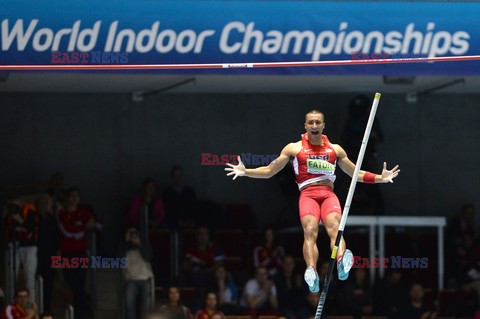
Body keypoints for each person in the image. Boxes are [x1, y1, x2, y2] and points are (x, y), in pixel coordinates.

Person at [225, 109, 400, 292]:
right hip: (308, 195)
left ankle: (342, 262)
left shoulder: (335, 149)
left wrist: (381, 178)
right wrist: (246, 172)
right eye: (311, 122)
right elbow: (270, 170)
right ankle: (311, 272)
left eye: (318, 122)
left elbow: (357, 174)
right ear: (305, 126)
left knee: (335, 227)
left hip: (328, 195)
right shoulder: (294, 148)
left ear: (324, 125)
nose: (314, 126)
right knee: (310, 231)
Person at [57, 187, 95, 318]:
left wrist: (88, 225)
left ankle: (80, 312)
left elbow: (94, 223)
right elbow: (67, 233)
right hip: (67, 253)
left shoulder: (83, 212)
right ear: (67, 198)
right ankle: (75, 311)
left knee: (80, 282)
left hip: (81, 252)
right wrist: (83, 230)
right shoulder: (61, 214)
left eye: (77, 196)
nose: (74, 199)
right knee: (70, 284)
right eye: (72, 196)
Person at [121, 225, 154, 319]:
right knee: (128, 303)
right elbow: (119, 259)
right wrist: (126, 242)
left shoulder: (144, 243)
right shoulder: (123, 246)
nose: (132, 235)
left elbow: (148, 256)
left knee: (146, 307)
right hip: (131, 279)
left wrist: (139, 244)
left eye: (134, 233)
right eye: (130, 233)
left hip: (145, 278)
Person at [36, 194, 59, 313]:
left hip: (50, 258)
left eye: (46, 203)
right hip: (36, 257)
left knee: (48, 286)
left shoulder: (53, 220)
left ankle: (46, 311)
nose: (43, 206)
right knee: (35, 285)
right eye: (41, 203)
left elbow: (57, 239)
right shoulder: (35, 218)